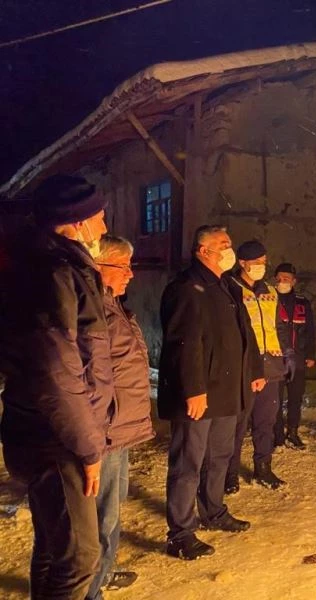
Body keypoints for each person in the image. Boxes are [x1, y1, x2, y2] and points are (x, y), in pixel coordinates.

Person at [0, 174, 113, 600]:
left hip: (43, 429)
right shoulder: (54, 274)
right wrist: (88, 447)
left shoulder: (54, 268)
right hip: (56, 438)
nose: (103, 228)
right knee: (81, 556)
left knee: (54, 545)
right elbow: (58, 371)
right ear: (76, 223)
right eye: (99, 218)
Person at [158, 225, 261, 560]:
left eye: (230, 243)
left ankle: (213, 511)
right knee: (188, 462)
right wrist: (193, 389)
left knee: (219, 457)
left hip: (227, 391)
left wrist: (254, 371)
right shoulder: (187, 287)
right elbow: (183, 345)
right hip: (200, 394)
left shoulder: (226, 285)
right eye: (224, 244)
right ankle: (181, 532)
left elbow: (245, 334)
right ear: (203, 250)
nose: (230, 249)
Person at [87, 235, 155, 598]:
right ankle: (90, 588)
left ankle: (104, 571)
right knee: (100, 514)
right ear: (98, 267)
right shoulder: (91, 309)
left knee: (113, 506)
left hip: (120, 427)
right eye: (123, 266)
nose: (131, 273)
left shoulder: (111, 304)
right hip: (104, 430)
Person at [225, 241, 295, 493]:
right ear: (242, 263)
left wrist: (287, 353)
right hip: (244, 368)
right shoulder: (230, 288)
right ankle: (228, 474)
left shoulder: (270, 291)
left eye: (264, 262)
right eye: (256, 263)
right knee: (237, 424)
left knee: (266, 422)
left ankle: (263, 468)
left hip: (271, 365)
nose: (261, 267)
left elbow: (279, 326)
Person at [273, 262, 316, 450]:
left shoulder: (302, 302)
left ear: (294, 281)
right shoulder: (269, 299)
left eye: (287, 278)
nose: (283, 281)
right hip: (275, 359)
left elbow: (310, 330)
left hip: (298, 359)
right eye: (280, 278)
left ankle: (292, 432)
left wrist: (310, 354)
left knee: (295, 398)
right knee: (274, 399)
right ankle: (277, 435)